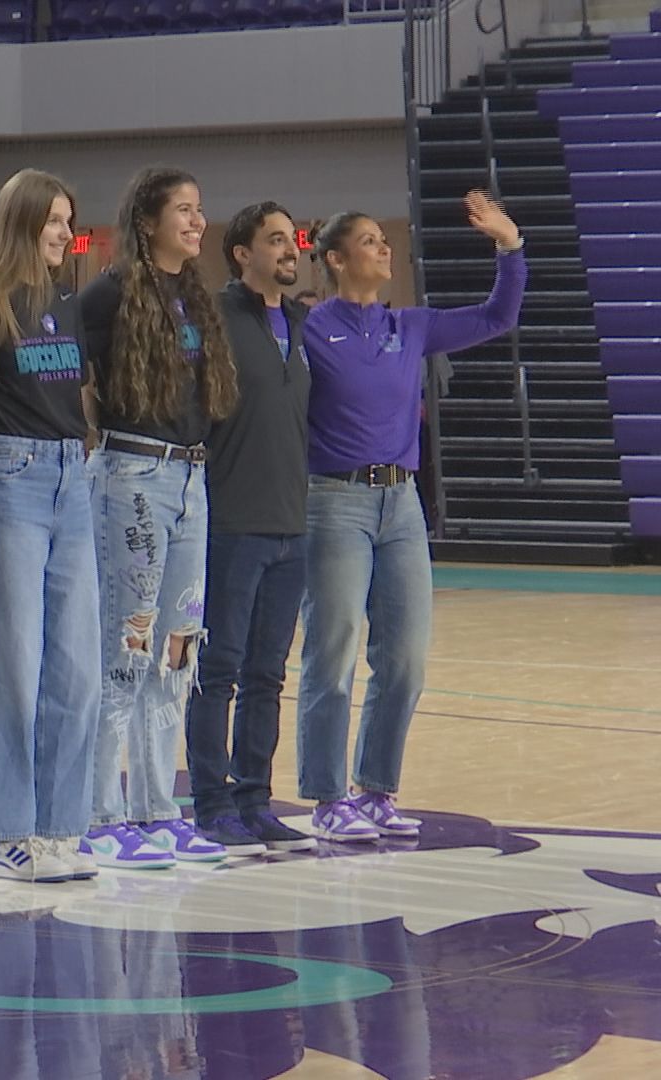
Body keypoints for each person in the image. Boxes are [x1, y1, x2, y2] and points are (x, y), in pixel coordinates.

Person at [296, 191, 523, 842]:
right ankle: (324, 797)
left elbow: (497, 317)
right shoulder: (312, 329)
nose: (383, 248)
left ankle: (375, 790)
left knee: (406, 660)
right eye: (368, 241)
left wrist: (510, 246)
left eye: (383, 240)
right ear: (336, 259)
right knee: (332, 652)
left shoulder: (411, 327)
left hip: (402, 505)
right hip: (333, 502)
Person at [79, 166, 239, 870]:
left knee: (177, 650)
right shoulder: (109, 294)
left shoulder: (193, 297)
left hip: (191, 476)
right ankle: (99, 811)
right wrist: (100, 451)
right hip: (134, 472)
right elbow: (73, 376)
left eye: (201, 210)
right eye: (183, 209)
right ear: (146, 221)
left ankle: (156, 808)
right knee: (128, 646)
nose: (198, 221)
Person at [0, 169, 102, 885]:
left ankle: (60, 825)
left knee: (77, 666)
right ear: (19, 223)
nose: (61, 232)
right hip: (8, 476)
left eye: (67, 220)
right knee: (11, 662)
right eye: (50, 220)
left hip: (71, 480)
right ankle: (3, 829)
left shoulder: (69, 304)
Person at [184, 201, 318, 856]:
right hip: (232, 522)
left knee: (268, 675)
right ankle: (211, 804)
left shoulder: (300, 321)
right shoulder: (213, 317)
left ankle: (255, 799)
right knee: (220, 670)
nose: (290, 249)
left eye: (291, 239)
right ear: (242, 253)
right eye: (274, 240)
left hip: (294, 524)